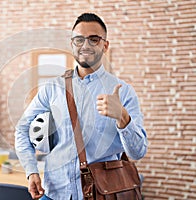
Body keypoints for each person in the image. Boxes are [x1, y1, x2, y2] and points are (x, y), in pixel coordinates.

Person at [15, 13, 148, 200]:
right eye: (79, 40)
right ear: (72, 45)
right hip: (53, 194)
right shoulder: (53, 89)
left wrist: (123, 118)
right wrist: (31, 171)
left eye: (93, 39)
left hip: (102, 194)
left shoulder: (123, 92)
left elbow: (138, 152)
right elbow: (22, 129)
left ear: (105, 45)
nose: (85, 45)